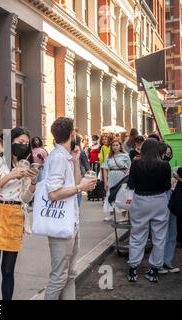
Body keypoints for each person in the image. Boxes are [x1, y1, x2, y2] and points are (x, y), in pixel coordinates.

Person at [43, 118, 97, 300]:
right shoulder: (57, 158)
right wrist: (82, 187)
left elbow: (74, 182)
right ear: (72, 135)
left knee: (70, 274)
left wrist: (75, 161)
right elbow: (54, 193)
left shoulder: (66, 157)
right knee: (59, 276)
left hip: (70, 221)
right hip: (61, 225)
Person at [0, 127, 38, 300]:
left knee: (8, 270)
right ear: (9, 142)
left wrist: (33, 182)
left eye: (26, 144)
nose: (23, 146)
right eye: (20, 142)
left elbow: (25, 198)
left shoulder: (25, 165)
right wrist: (10, 176)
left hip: (15, 215)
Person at [127, 139, 172, 283]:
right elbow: (166, 187)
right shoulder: (165, 165)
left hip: (140, 201)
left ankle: (133, 269)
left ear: (144, 149)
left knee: (137, 235)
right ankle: (154, 270)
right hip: (159, 201)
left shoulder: (136, 164)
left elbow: (131, 184)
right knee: (159, 237)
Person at [158, 144, 180, 274]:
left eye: (170, 153)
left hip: (171, 199)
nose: (168, 155)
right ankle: (158, 263)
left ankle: (167, 262)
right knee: (162, 233)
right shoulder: (156, 166)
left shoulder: (169, 167)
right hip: (161, 200)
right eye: (166, 152)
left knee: (172, 232)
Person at [101, 140, 131, 222]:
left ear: (120, 146)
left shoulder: (125, 155)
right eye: (113, 145)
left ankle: (123, 216)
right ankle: (111, 215)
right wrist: (105, 181)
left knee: (122, 195)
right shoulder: (108, 156)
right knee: (110, 194)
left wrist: (127, 173)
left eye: (116, 145)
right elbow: (105, 169)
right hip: (111, 177)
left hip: (122, 177)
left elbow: (130, 167)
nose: (115, 147)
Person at [76, 135, 90, 208]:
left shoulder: (81, 152)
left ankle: (77, 208)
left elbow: (86, 164)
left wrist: (88, 174)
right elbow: (86, 164)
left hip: (80, 173)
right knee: (77, 191)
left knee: (78, 191)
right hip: (78, 173)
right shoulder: (80, 151)